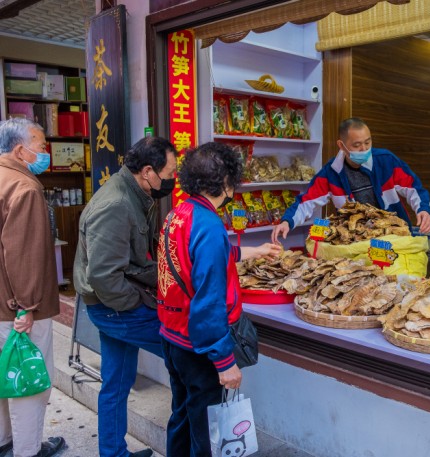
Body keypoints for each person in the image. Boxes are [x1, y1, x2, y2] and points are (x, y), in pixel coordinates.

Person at [157, 142, 280, 457]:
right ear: (226, 183)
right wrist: (224, 362)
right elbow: (209, 300)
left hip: (173, 338)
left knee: (183, 416)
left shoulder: (179, 213)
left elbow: (198, 260)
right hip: (198, 347)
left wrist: (255, 251)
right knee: (206, 434)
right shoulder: (209, 225)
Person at [73, 136, 177, 457]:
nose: (173, 179)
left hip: (114, 303)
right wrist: (138, 305)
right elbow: (104, 277)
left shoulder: (135, 194)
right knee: (181, 353)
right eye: (170, 172)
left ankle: (113, 453)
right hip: (113, 306)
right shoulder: (116, 204)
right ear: (148, 171)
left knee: (116, 383)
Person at [0, 118, 66, 457]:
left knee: (3, 373)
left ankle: (4, 442)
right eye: (40, 146)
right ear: (19, 149)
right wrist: (26, 307)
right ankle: (27, 450)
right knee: (28, 380)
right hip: (18, 307)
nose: (45, 153)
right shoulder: (23, 188)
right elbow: (22, 252)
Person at [272, 117, 430, 243]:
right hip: (356, 242)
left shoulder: (386, 161)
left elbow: (414, 188)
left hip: (394, 238)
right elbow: (306, 201)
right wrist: (287, 222)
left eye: (367, 142)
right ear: (342, 145)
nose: (364, 149)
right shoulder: (331, 173)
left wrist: (423, 210)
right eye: (357, 145)